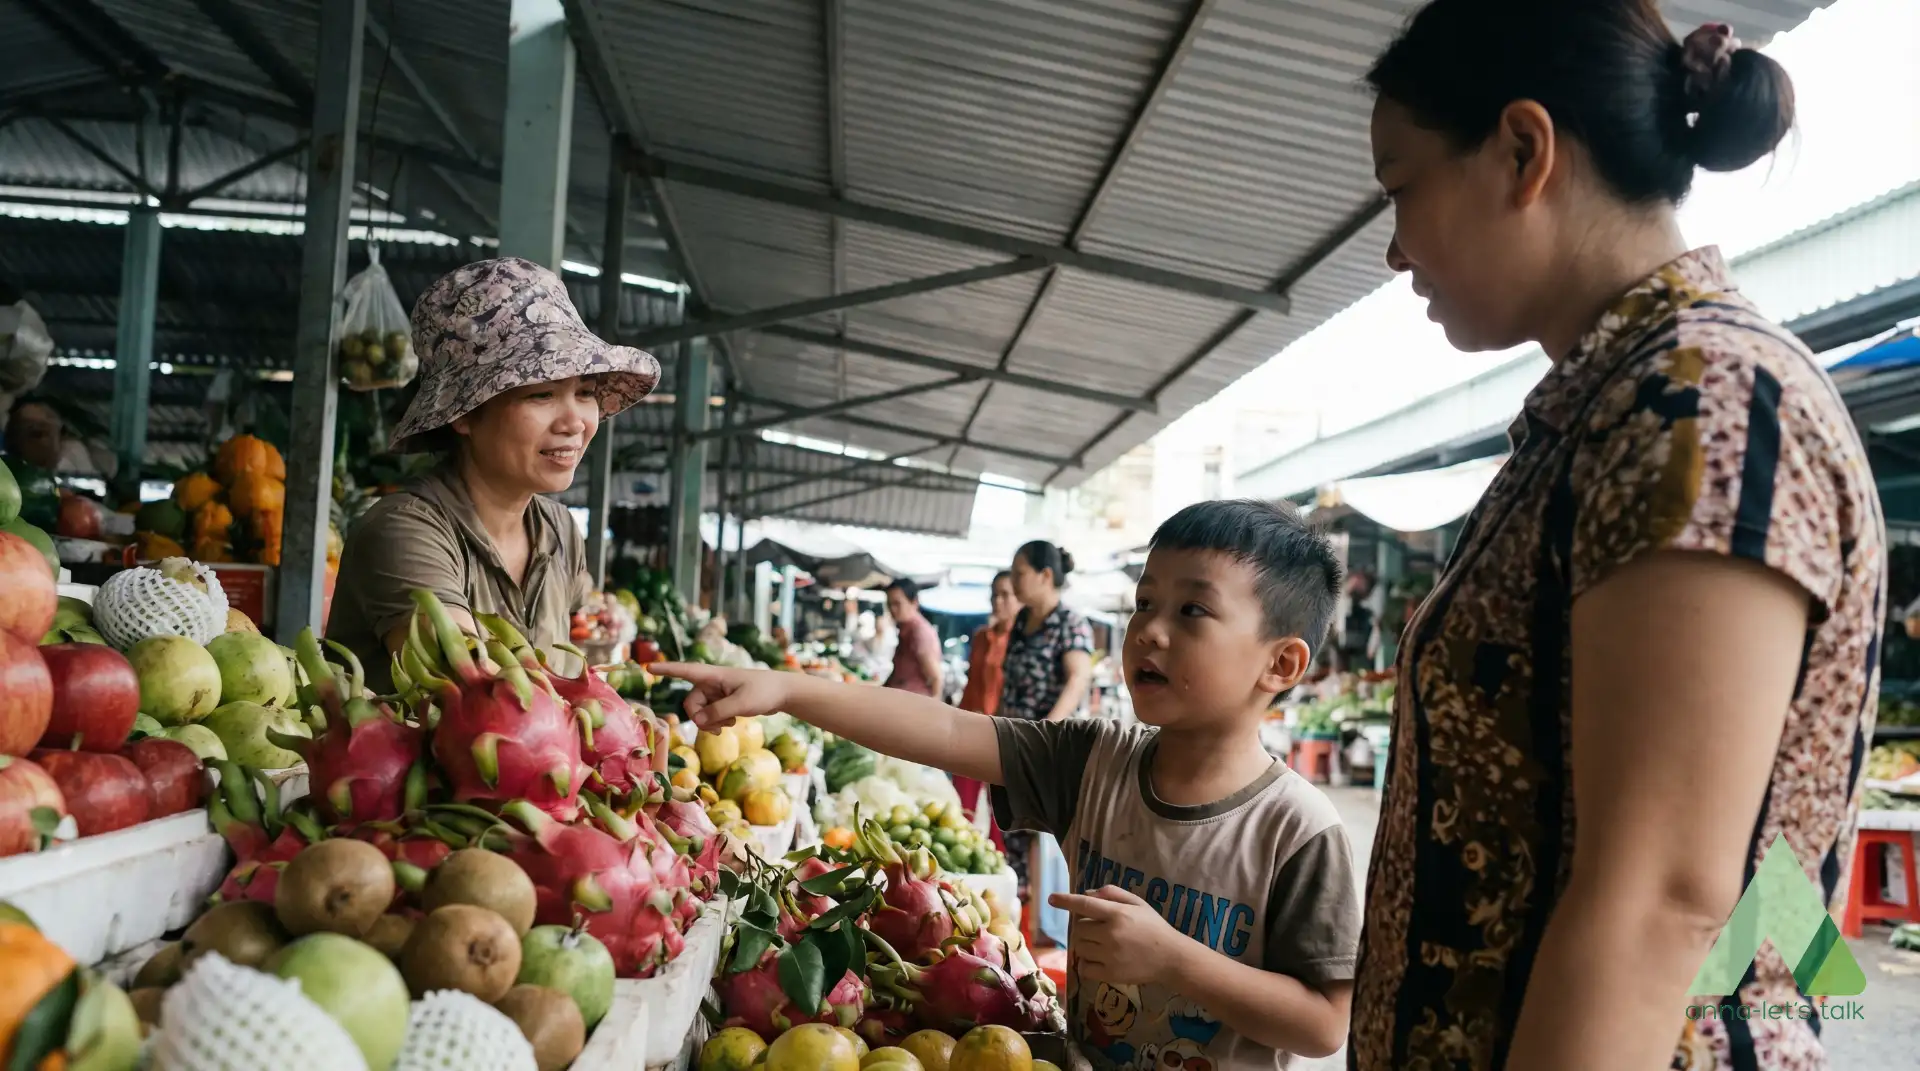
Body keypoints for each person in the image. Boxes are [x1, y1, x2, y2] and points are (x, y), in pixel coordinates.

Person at [1352, 5, 1884, 1070]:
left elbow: (1662, 904)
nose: (1396, 247)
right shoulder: (1613, 404)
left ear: (1522, 150)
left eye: (1403, 186)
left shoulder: (1704, 400)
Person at [655, 498, 1362, 1065]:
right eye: (1146, 602)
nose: (1148, 630)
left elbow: (1325, 1023)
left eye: (1192, 610)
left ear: (1282, 664)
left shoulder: (1297, 829)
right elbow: (947, 730)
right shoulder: (1094, 760)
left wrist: (1173, 959)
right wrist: (784, 689)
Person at [327, 257, 660, 692]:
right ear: (463, 414)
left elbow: (565, 674)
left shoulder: (558, 530)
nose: (575, 421)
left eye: (584, 393)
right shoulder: (404, 530)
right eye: (542, 394)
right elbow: (478, 693)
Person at [952, 570, 1018, 831]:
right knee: (960, 806)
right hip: (969, 727)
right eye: (994, 595)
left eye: (1005, 595)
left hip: (1001, 734)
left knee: (1000, 811)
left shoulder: (1020, 643)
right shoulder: (981, 637)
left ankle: (999, 862)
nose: (998, 601)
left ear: (1019, 599)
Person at [882, 577, 942, 698]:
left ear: (914, 603)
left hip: (913, 707)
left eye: (897, 604)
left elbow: (936, 678)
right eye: (889, 604)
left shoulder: (920, 632)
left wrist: (933, 710)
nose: (892, 609)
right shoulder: (905, 629)